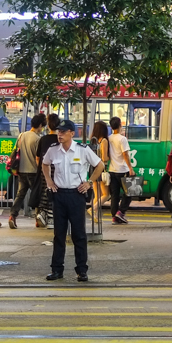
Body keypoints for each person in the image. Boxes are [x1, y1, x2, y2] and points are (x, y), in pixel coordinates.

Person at [42, 119, 104, 281]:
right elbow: (44, 164)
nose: (59, 134)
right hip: (59, 195)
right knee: (59, 234)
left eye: (63, 132)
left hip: (76, 195)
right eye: (58, 131)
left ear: (72, 133)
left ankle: (82, 270)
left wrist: (89, 182)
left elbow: (100, 165)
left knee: (79, 235)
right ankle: (57, 269)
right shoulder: (53, 150)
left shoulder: (82, 150)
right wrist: (49, 180)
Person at [9, 113, 46, 228]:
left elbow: (16, 151)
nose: (42, 128)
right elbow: (38, 157)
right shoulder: (38, 139)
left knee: (20, 195)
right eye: (42, 126)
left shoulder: (21, 135)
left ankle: (12, 216)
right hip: (33, 172)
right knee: (38, 196)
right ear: (39, 125)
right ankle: (38, 218)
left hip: (21, 170)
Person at [107, 116, 137, 225]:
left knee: (115, 195)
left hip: (112, 170)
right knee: (131, 191)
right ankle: (121, 212)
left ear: (111, 126)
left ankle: (114, 216)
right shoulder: (122, 139)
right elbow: (125, 154)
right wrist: (131, 168)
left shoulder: (109, 138)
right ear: (120, 125)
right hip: (123, 170)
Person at [34, 113, 61, 228]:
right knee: (56, 192)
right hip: (57, 170)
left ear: (48, 126)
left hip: (45, 170)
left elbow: (38, 158)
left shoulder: (43, 139)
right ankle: (51, 218)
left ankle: (43, 213)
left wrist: (42, 168)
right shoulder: (61, 139)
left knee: (46, 192)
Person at [89, 121, 111, 213]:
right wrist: (111, 157)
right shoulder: (104, 141)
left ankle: (95, 215)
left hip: (93, 169)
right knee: (106, 194)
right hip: (101, 169)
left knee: (97, 195)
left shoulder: (93, 141)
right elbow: (104, 158)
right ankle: (92, 209)